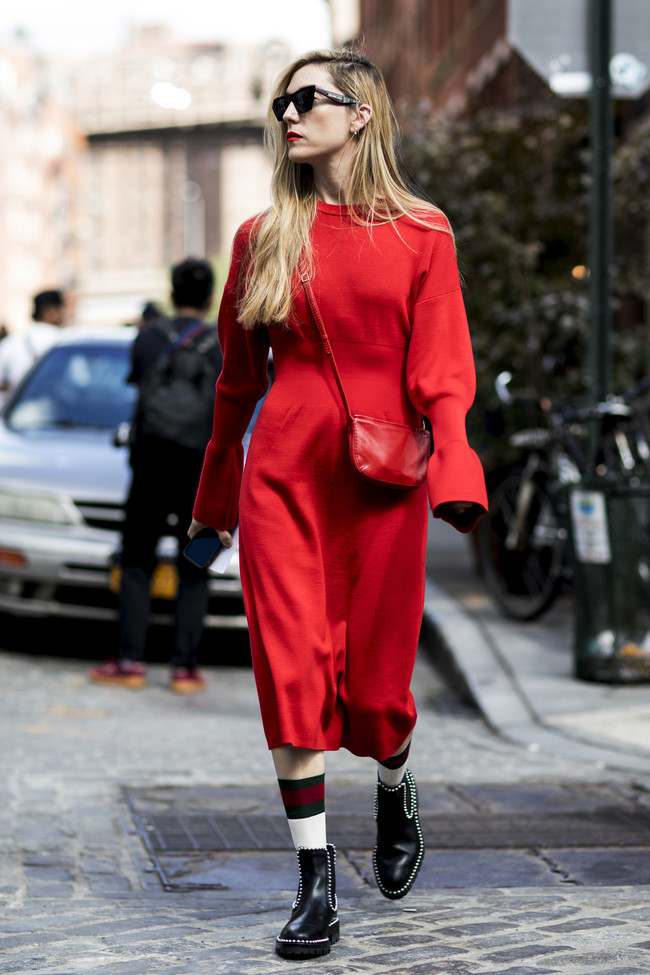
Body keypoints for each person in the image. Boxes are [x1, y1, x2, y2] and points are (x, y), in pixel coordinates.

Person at [189, 49, 488, 958]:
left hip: (383, 477)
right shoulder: (261, 237)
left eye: (307, 98)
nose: (290, 112)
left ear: (360, 113)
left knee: (375, 690)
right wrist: (215, 502)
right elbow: (235, 389)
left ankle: (394, 783)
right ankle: (315, 882)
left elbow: (442, 371)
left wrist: (459, 468)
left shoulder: (422, 232)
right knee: (292, 671)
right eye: (282, 100)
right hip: (285, 470)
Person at [90, 258, 222, 694]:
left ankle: (129, 659)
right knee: (197, 564)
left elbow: (137, 386)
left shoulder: (147, 338)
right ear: (209, 297)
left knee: (135, 560)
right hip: (201, 474)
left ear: (172, 292)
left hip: (149, 466)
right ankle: (185, 669)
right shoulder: (222, 343)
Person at [0, 289, 66, 394]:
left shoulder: (11, 342)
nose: (65, 313)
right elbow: (80, 381)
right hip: (54, 407)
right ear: (49, 310)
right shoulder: (65, 342)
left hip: (17, 408)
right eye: (62, 308)